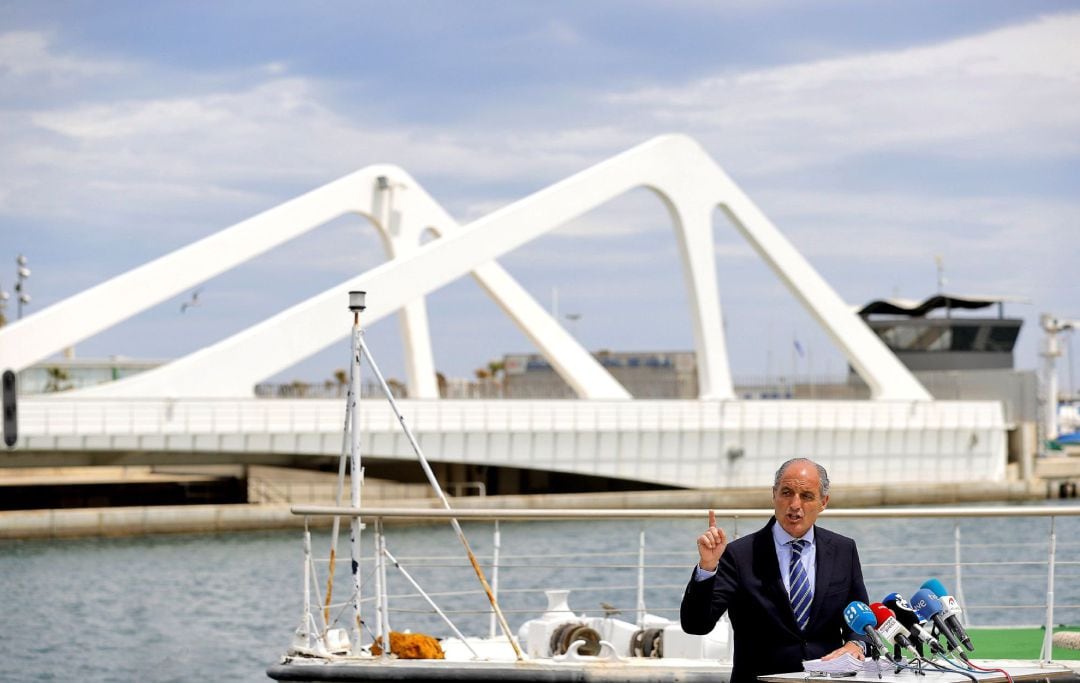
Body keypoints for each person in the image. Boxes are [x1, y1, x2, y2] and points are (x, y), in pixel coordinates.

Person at [680, 458, 868, 682]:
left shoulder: (843, 549)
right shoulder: (739, 555)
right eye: (787, 492)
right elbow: (696, 625)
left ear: (823, 502)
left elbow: (860, 617)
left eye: (806, 496)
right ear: (774, 494)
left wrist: (856, 644)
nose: (795, 505)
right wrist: (707, 567)